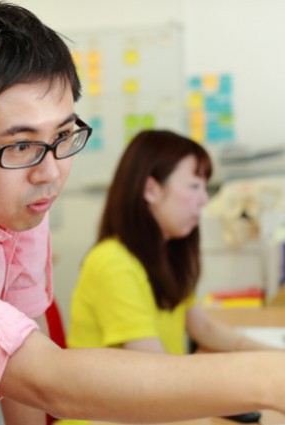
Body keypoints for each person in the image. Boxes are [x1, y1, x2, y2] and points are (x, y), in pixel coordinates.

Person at [0, 3, 285, 424]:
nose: (51, 173)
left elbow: (27, 358)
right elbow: (47, 380)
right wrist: (268, 377)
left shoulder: (17, 199)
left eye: (62, 136)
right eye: (21, 145)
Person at [57, 130, 280, 425]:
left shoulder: (165, 253)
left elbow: (202, 326)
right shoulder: (112, 262)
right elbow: (155, 369)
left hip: (153, 408)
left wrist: (272, 357)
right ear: (151, 189)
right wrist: (250, 378)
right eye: (194, 186)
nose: (203, 200)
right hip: (108, 418)